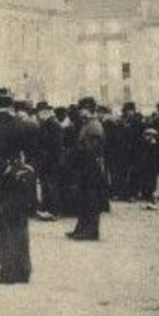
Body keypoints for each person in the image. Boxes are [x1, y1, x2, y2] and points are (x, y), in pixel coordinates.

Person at [0, 91, 37, 283]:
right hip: (22, 178)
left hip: (3, 180)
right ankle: (24, 270)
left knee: (0, 227)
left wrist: (5, 170)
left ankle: (8, 271)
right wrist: (27, 169)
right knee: (19, 225)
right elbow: (35, 152)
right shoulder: (24, 124)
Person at [67, 96, 108, 240]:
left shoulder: (94, 126)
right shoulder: (88, 124)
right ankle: (81, 229)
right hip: (87, 167)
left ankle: (90, 231)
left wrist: (74, 154)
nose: (79, 112)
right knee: (84, 199)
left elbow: (89, 149)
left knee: (91, 200)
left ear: (88, 109)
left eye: (82, 109)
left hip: (91, 168)